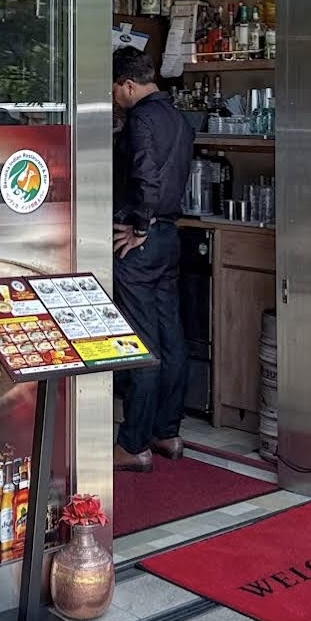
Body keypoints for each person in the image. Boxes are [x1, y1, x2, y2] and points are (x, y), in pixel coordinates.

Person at [111, 47, 194, 472]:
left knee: (141, 341)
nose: (114, 98)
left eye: (114, 90)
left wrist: (140, 225)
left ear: (128, 85)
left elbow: (145, 175)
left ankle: (134, 444)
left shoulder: (140, 120)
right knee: (170, 337)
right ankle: (168, 433)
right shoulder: (178, 118)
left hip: (141, 241)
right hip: (169, 237)